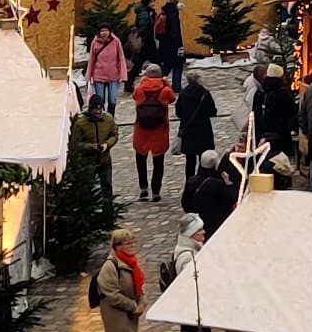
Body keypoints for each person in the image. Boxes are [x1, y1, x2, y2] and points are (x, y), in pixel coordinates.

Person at [93, 227, 142, 332]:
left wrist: (141, 301)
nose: (131, 246)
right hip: (116, 314)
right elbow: (112, 294)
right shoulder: (110, 266)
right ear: (118, 246)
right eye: (127, 243)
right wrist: (132, 306)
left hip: (126, 312)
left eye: (132, 242)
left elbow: (137, 285)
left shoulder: (129, 262)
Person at [131, 67, 172, 202]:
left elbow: (134, 96)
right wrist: (166, 84)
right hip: (159, 131)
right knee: (158, 163)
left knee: (140, 161)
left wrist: (142, 82)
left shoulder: (140, 89)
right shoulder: (164, 90)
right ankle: (156, 191)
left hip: (141, 131)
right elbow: (172, 98)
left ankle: (143, 188)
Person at [176, 71, 219, 190]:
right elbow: (213, 111)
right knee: (204, 159)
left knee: (190, 161)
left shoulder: (183, 93)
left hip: (189, 131)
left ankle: (189, 184)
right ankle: (203, 183)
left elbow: (178, 112)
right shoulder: (204, 93)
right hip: (203, 129)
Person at [253, 64, 296, 156]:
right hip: (280, 136)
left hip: (262, 134)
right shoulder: (283, 94)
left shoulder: (260, 93)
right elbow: (291, 114)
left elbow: (255, 113)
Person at [85, 23, 128, 112]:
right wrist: (88, 75)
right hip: (99, 76)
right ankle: (102, 118)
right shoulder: (95, 42)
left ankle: (110, 118)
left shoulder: (115, 41)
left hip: (113, 76)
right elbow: (91, 59)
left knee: (112, 100)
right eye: (102, 31)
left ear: (110, 31)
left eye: (106, 30)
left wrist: (123, 74)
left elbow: (121, 57)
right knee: (100, 101)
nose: (104, 33)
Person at [192, 151, 235, 237]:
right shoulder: (218, 183)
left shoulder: (192, 181)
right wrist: (229, 184)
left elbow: (185, 202)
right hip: (216, 221)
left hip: (199, 219)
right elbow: (229, 201)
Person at [158, 0, 186, 91]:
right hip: (173, 44)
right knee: (178, 65)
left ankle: (156, 82)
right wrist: (179, 46)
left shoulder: (164, 12)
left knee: (167, 65)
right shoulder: (174, 14)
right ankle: (176, 86)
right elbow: (175, 32)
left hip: (164, 43)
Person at [132, 0, 157, 65]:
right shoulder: (144, 13)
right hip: (146, 40)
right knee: (155, 59)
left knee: (140, 61)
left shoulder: (147, 12)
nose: (153, 4)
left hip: (146, 40)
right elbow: (144, 27)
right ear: (147, 3)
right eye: (151, 2)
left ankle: (131, 75)